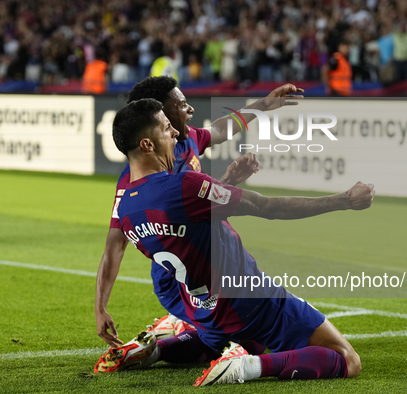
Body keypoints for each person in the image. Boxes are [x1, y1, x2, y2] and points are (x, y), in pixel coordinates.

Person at [99, 99, 373, 385]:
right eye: (167, 129)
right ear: (146, 144)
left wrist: (227, 181)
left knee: (245, 340)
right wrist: (343, 201)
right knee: (346, 358)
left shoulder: (126, 209)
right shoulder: (184, 185)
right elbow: (267, 207)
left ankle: (156, 349)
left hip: (205, 315)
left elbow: (194, 220)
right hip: (250, 302)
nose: (177, 134)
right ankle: (245, 367)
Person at [95, 77, 305, 351]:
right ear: (161, 114)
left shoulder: (190, 139)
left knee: (248, 341)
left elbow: (221, 130)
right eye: (181, 105)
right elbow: (115, 246)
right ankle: (181, 326)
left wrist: (264, 104)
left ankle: (163, 344)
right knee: (248, 342)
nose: (190, 109)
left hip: (210, 264)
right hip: (178, 280)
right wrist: (100, 307)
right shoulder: (134, 182)